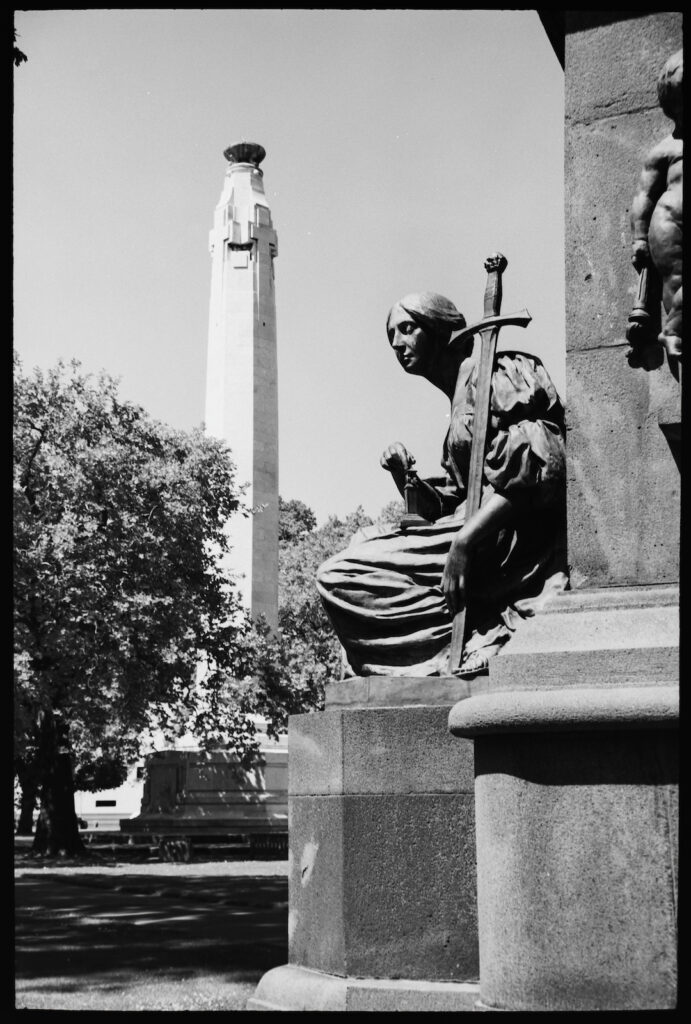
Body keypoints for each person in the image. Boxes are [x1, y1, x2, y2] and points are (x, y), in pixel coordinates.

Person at [316, 291, 568, 678]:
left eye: (407, 329)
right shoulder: (457, 398)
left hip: (504, 538)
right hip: (472, 527)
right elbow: (455, 496)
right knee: (361, 540)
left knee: (339, 575)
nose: (398, 344)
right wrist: (406, 479)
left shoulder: (498, 373)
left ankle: (470, 636)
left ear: (438, 329)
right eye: (391, 337)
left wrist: (465, 541)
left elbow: (539, 462)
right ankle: (445, 641)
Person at [630, 48, 682, 359]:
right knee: (676, 279)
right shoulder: (666, 148)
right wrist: (638, 236)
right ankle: (674, 331)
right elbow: (644, 194)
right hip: (670, 221)